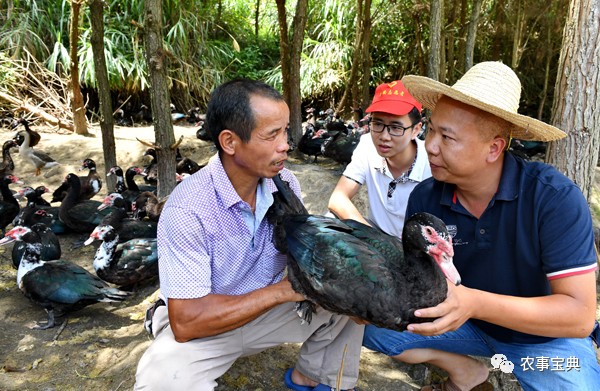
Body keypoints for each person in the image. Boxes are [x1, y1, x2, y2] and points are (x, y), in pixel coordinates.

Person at [363, 61, 600, 391]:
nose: (431, 146)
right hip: (462, 327)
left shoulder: (553, 198)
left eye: (447, 137)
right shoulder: (426, 198)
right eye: (432, 130)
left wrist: (474, 303)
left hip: (541, 341)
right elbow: (417, 280)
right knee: (371, 325)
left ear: (494, 148)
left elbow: (578, 315)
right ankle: (464, 370)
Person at [134, 79, 364, 391]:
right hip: (207, 325)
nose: (285, 144)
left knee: (349, 297)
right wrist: (284, 291)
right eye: (272, 135)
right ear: (229, 142)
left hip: (266, 313)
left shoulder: (284, 184)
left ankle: (317, 374)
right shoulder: (188, 209)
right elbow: (187, 322)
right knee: (159, 381)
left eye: (285, 131)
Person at [327, 80, 430, 237]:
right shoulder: (368, 145)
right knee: (329, 223)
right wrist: (376, 240)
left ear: (416, 129)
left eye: (396, 127)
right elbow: (338, 198)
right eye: (377, 124)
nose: (384, 136)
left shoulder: (432, 164)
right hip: (377, 237)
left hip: (418, 247)